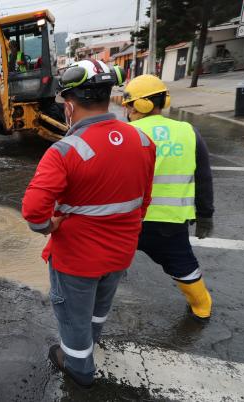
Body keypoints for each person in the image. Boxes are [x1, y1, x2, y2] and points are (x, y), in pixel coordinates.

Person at [22, 59, 155, 387]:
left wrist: (47, 227)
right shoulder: (143, 142)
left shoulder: (64, 151)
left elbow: (33, 210)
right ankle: (91, 341)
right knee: (99, 307)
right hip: (121, 252)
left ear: (69, 105)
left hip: (77, 259)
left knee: (72, 316)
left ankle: (79, 367)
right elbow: (144, 202)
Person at [123, 74, 214, 320]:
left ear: (140, 105)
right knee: (184, 266)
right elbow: (203, 178)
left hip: (127, 222)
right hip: (170, 223)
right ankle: (201, 307)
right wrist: (206, 215)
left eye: (129, 105)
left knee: (109, 263)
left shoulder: (125, 134)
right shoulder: (188, 132)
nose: (128, 111)